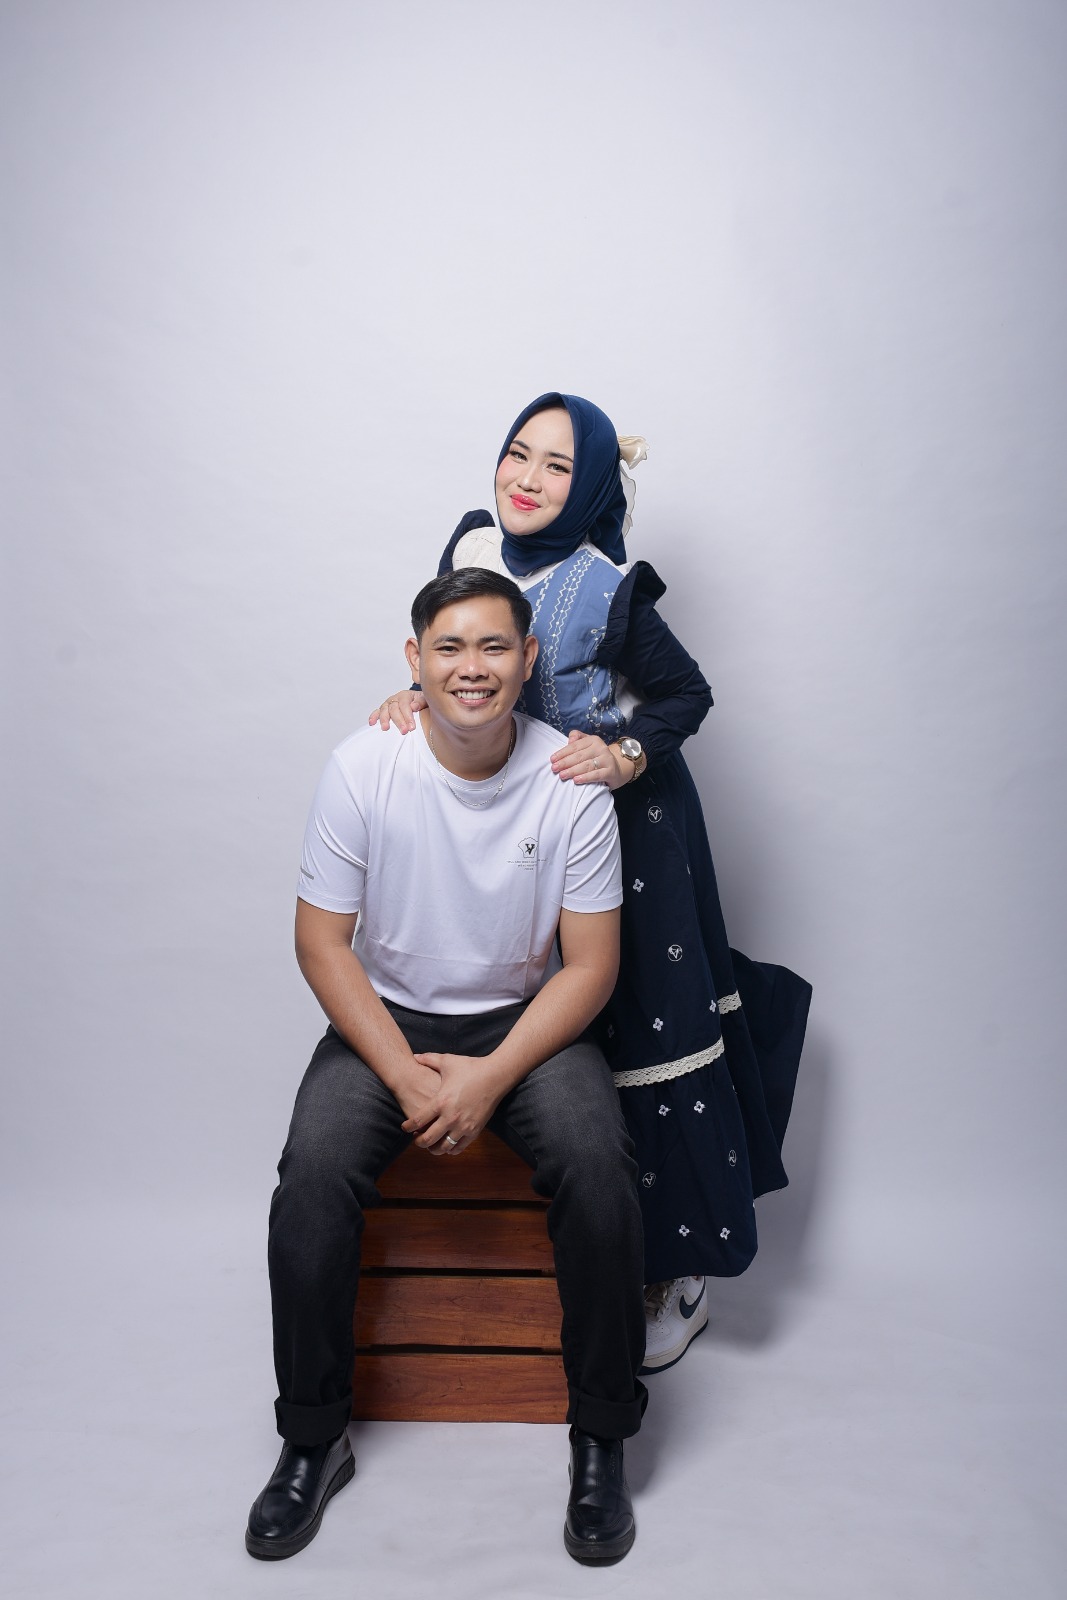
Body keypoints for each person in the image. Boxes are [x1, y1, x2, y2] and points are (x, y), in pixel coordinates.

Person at [371, 393, 812, 1375]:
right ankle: (559, 1243)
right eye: (517, 453)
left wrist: (622, 755)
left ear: (593, 488)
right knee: (542, 1027)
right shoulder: (472, 547)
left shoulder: (606, 587)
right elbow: (463, 658)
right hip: (517, 824)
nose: (526, 479)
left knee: (645, 1037)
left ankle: (673, 1273)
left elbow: (684, 694)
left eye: (557, 466)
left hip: (626, 824)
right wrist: (414, 693)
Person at [246, 568, 647, 1566]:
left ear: (528, 658)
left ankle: (600, 1438)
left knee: (600, 1167)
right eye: (450, 647)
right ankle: (312, 1438)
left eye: (495, 646)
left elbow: (590, 968)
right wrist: (404, 1073)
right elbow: (320, 944)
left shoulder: (569, 781)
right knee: (311, 1177)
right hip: (385, 1020)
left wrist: (489, 1075)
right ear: (415, 660)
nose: (473, 667)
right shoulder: (361, 766)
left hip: (525, 1023)